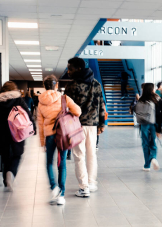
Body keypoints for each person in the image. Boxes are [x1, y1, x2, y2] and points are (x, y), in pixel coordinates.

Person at [37, 76, 81, 205]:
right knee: (61, 164)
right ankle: (61, 195)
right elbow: (78, 111)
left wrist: (42, 142)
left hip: (49, 136)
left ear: (44, 86)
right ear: (56, 86)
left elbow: (40, 124)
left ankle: (54, 187)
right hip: (63, 135)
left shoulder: (40, 102)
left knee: (49, 163)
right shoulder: (64, 98)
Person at [65, 57, 106, 197]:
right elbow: (101, 104)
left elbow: (66, 109)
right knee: (91, 154)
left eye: (70, 68)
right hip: (93, 125)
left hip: (77, 126)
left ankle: (84, 187)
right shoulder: (96, 84)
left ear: (79, 69)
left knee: (79, 155)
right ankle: (91, 183)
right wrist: (102, 124)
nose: (68, 71)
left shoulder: (72, 86)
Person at [0, 81, 36, 192]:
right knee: (17, 154)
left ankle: (6, 180)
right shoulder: (18, 99)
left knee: (5, 157)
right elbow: (27, 113)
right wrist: (33, 126)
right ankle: (11, 173)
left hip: (2, 131)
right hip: (17, 130)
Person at [135, 83, 162, 171]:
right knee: (153, 142)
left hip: (143, 124)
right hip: (154, 124)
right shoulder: (157, 99)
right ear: (152, 89)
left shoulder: (141, 99)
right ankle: (153, 157)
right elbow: (159, 114)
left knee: (145, 144)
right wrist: (159, 128)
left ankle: (147, 165)